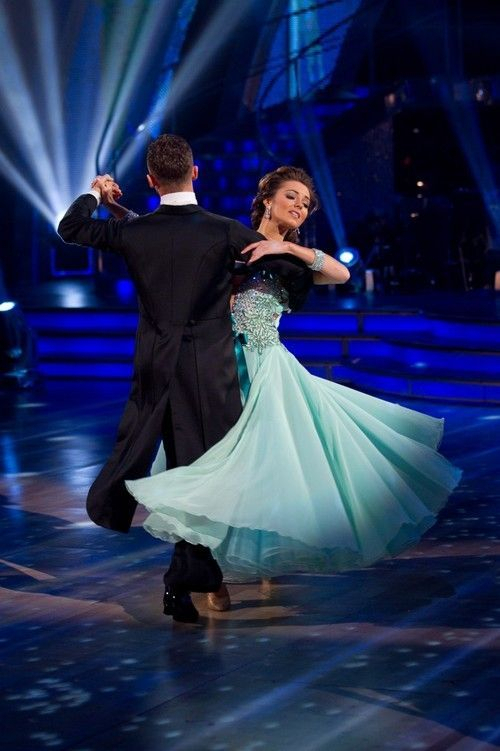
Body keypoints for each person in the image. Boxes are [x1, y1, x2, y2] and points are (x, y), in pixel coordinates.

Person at [120, 165, 462, 609]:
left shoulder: (292, 260)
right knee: (213, 467)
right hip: (216, 367)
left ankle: (261, 556)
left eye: (305, 202)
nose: (299, 206)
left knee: (263, 469)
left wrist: (287, 248)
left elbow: (340, 274)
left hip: (268, 373)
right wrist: (120, 212)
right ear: (267, 199)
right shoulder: (230, 239)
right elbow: (171, 240)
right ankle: (212, 574)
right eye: (291, 196)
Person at [57, 134, 268, 624]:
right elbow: (272, 263)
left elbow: (71, 228)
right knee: (203, 473)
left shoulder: (136, 231)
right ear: (195, 173)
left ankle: (187, 576)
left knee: (181, 470)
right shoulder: (225, 231)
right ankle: (189, 576)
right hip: (210, 371)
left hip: (157, 367)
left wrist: (97, 193)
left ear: (151, 181)